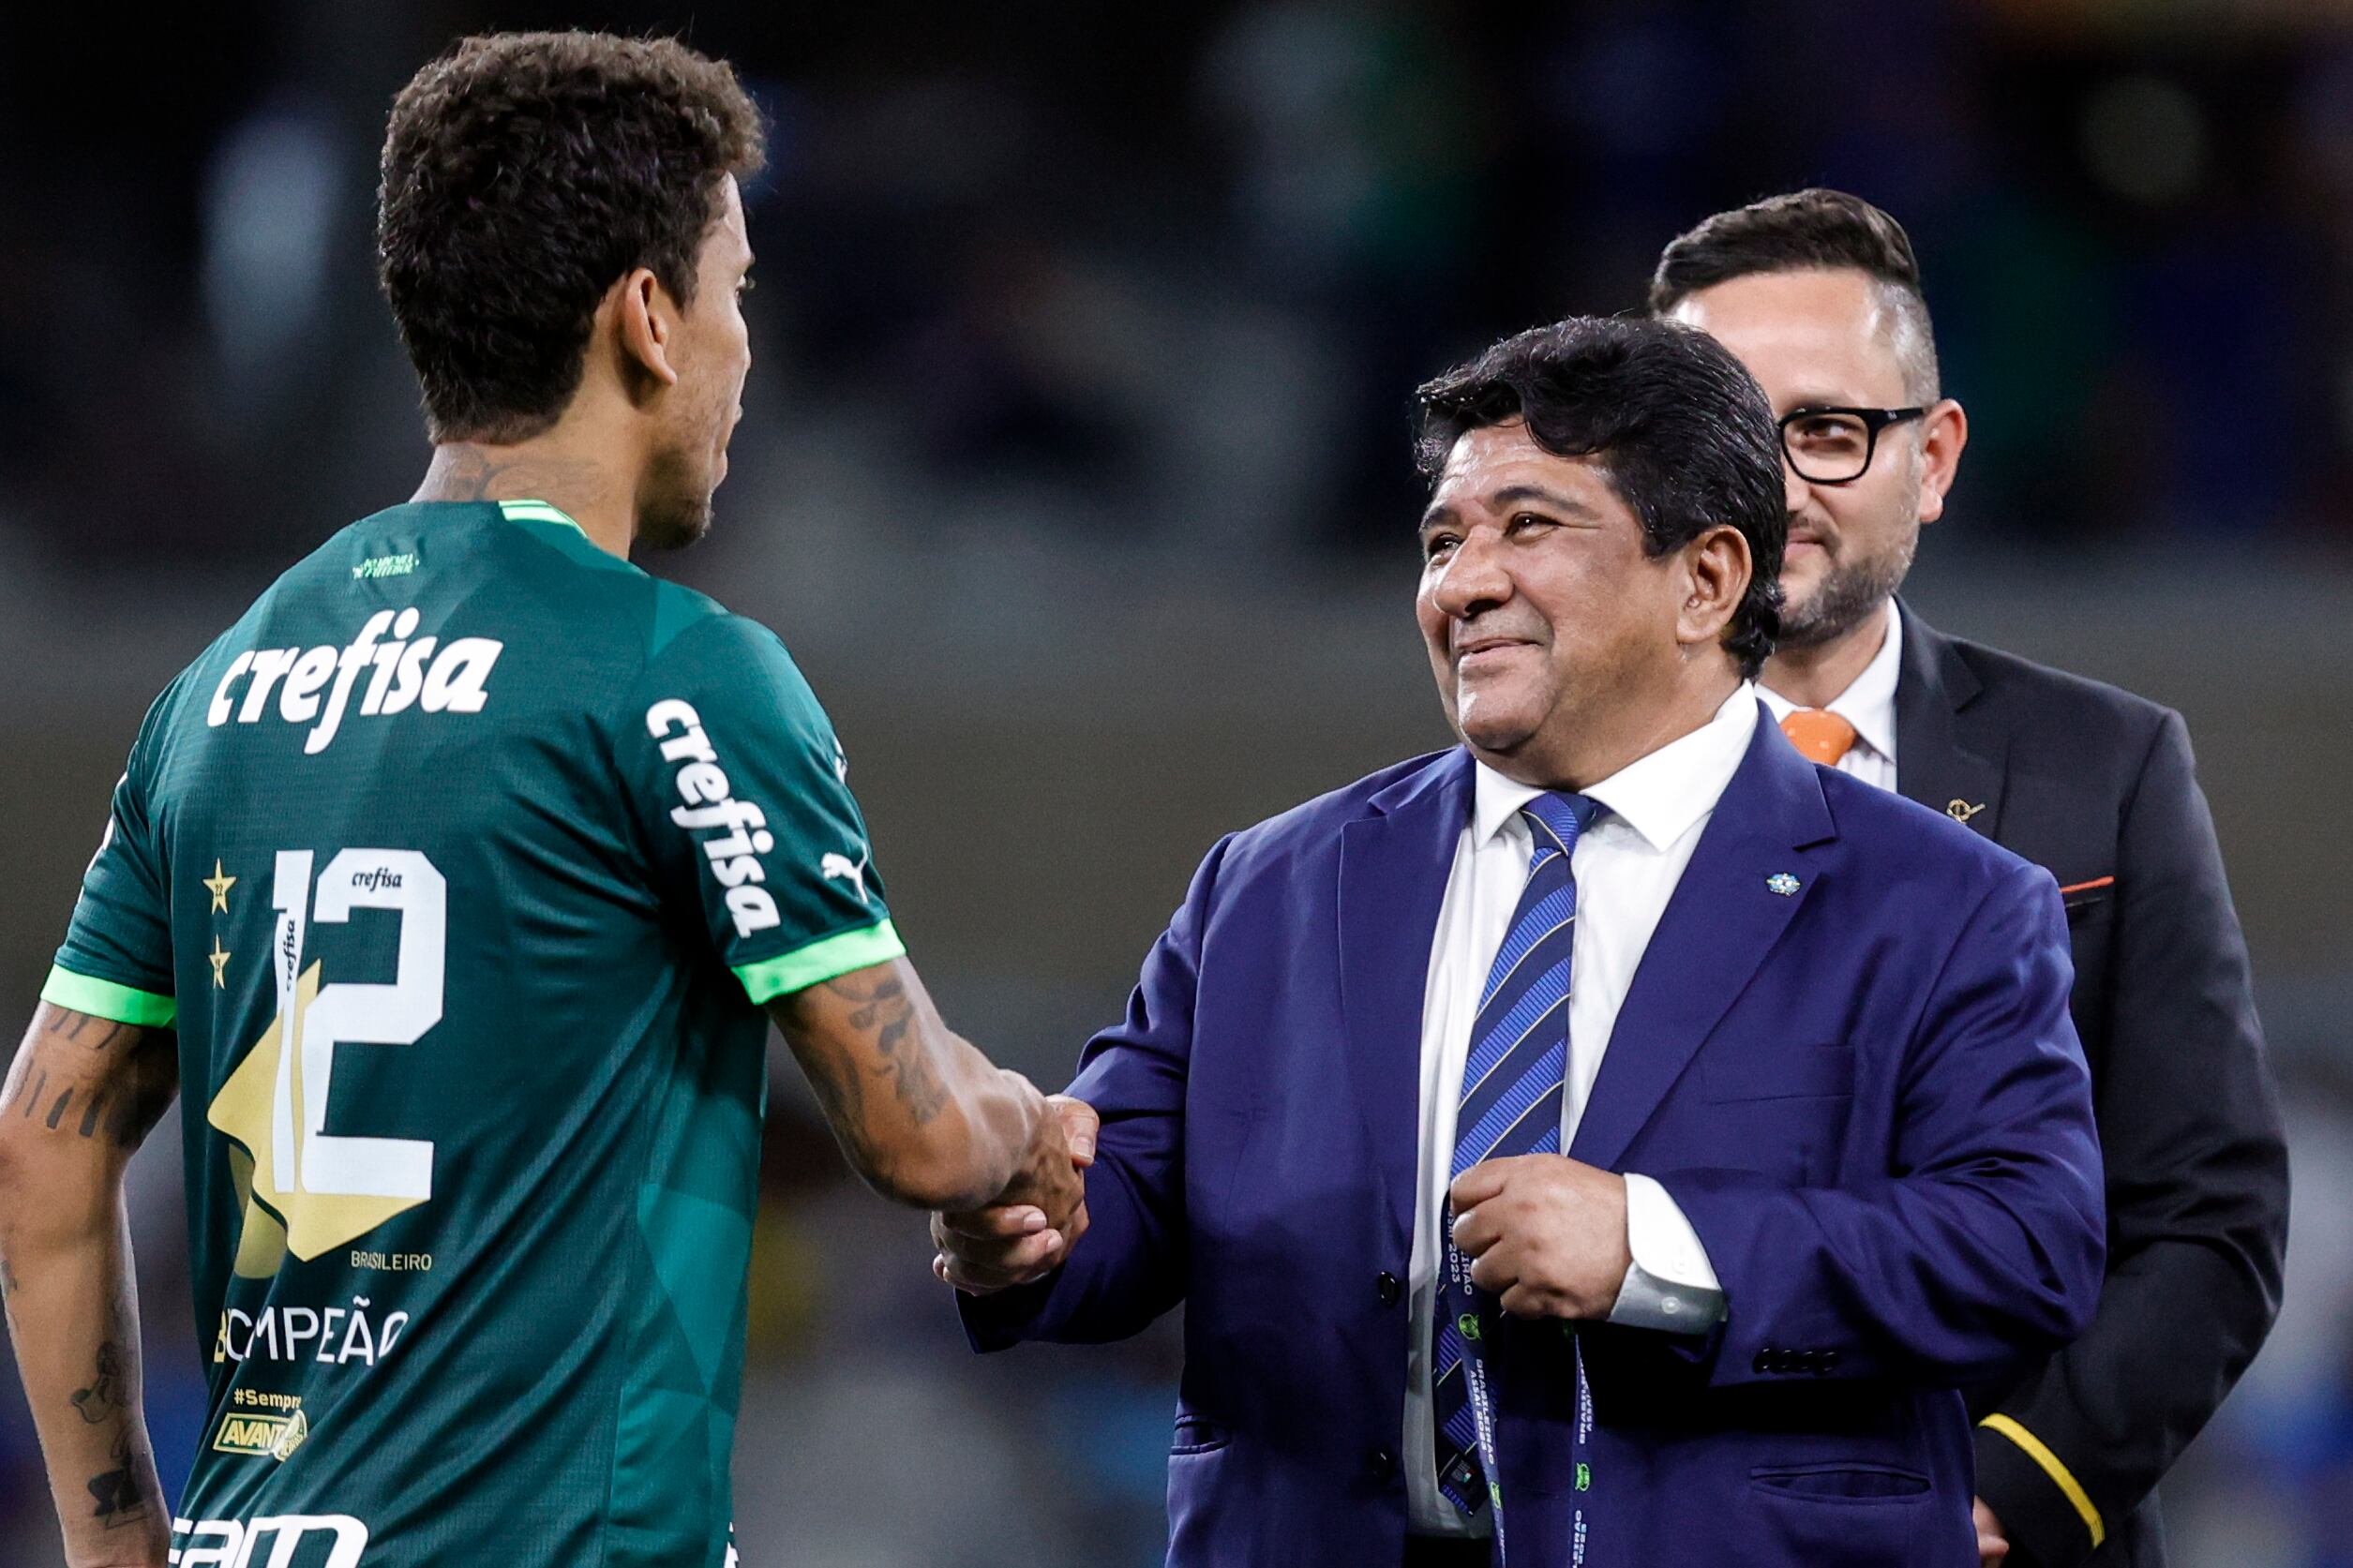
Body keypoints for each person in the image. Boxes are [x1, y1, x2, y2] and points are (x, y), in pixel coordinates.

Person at [0, 32, 1080, 1568]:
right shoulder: (674, 670)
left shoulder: (222, 687)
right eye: (736, 289)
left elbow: (41, 1149)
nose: (742, 347)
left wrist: (120, 1552)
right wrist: (1023, 1136)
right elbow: (915, 1132)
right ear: (648, 315)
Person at [935, 315, 2105, 1567]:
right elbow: (1117, 1197)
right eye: (1444, 539)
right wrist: (1026, 1213)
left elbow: (2024, 1245)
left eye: (1527, 528)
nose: (1461, 582)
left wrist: (1657, 1249)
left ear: (1705, 580)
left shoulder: (1938, 902)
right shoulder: (1270, 883)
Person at [1652, 188, 2289, 1568]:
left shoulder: (2101, 768)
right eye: (1717, 437)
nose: (1771, 489)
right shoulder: (1540, 794)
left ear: (1932, 458)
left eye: (1825, 430)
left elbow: (2204, 1221)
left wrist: (1998, 1490)